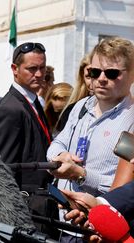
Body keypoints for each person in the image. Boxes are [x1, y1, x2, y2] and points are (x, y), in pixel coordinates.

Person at [47, 37, 134, 242]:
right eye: (95, 72)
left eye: (112, 73)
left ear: (131, 75)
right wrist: (60, 157)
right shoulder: (81, 106)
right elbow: (57, 143)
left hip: (101, 231)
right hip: (66, 223)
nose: (101, 79)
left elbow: (125, 187)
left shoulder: (131, 117)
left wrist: (81, 174)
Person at [0, 42, 56, 236]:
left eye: (42, 68)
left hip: (39, 207)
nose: (39, 74)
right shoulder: (10, 109)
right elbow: (2, 170)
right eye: (32, 69)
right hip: (25, 215)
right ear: (15, 69)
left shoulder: (31, 100)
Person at [56, 54, 93, 132]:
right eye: (88, 77)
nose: (93, 81)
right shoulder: (72, 111)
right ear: (82, 78)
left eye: (96, 74)